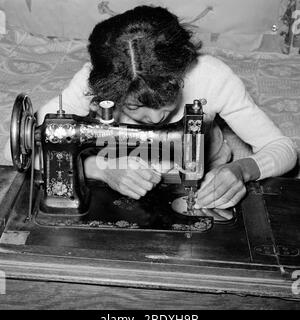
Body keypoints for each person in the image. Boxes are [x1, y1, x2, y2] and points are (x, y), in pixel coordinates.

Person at [28, 6, 298, 209]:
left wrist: (242, 169)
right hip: (114, 184)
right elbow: (24, 148)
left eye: (166, 103)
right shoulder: (94, 86)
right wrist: (98, 168)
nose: (157, 118)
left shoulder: (212, 77)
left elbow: (283, 148)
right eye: (134, 108)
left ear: (182, 70)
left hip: (203, 182)